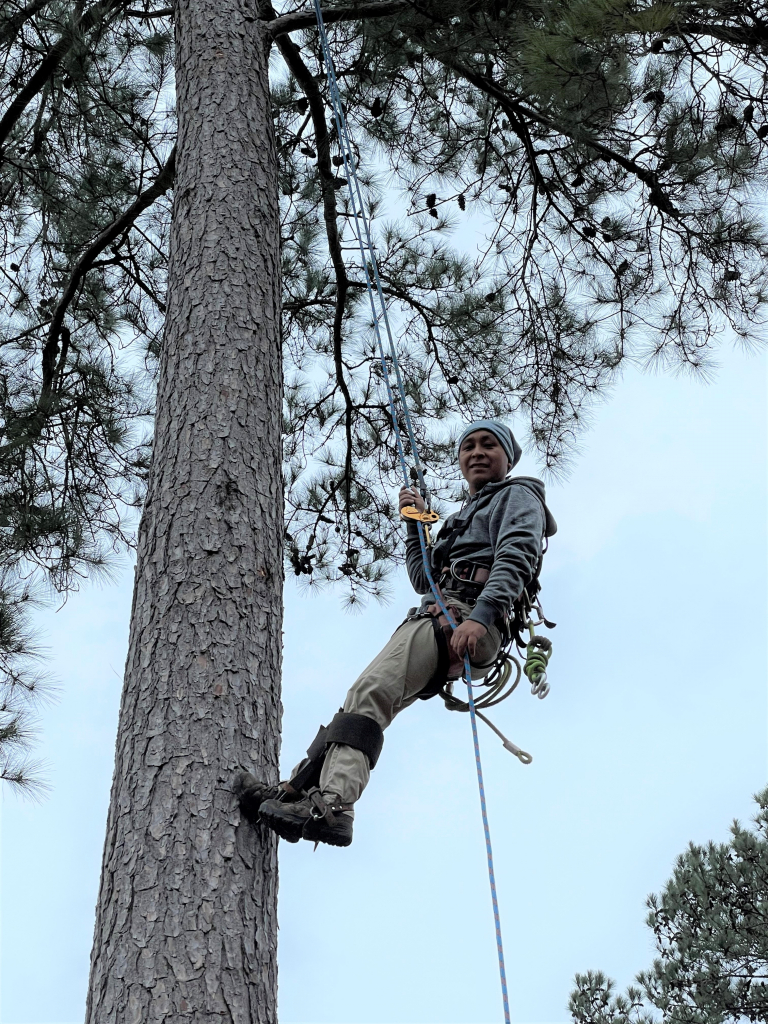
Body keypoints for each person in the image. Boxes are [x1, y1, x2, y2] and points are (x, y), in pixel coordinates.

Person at [234, 420, 556, 847]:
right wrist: (413, 525)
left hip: (465, 618)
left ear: (508, 458)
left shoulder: (518, 497)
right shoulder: (462, 517)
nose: (477, 452)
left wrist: (481, 616)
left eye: (489, 445)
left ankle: (332, 806)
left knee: (370, 694)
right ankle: (295, 790)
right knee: (361, 697)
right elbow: (424, 579)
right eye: (468, 447)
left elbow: (516, 555)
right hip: (442, 616)